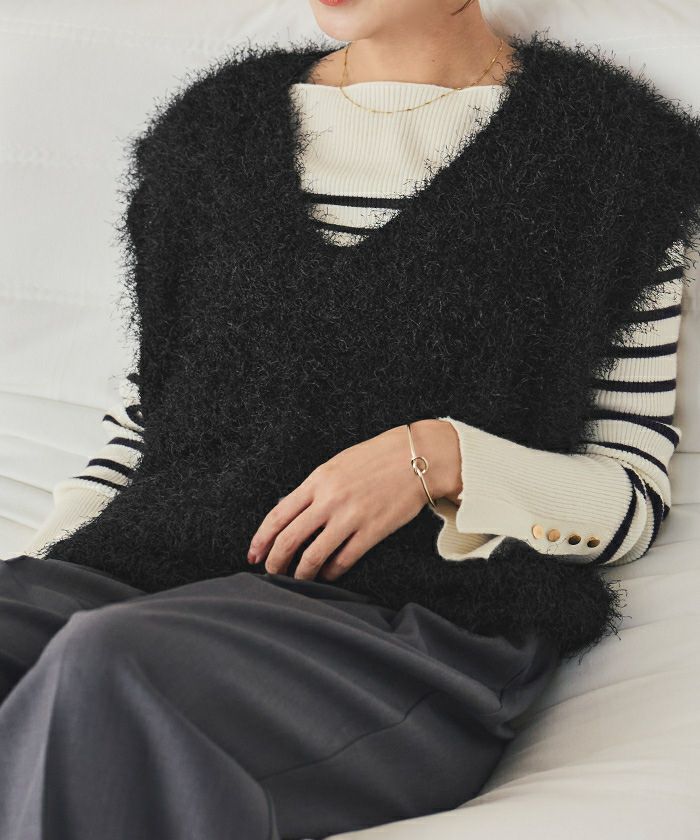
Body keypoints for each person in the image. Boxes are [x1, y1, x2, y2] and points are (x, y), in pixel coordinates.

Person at [0, 1, 694, 838]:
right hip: (151, 571)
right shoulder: (209, 133)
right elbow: (152, 424)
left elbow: (630, 494)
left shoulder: (617, 157)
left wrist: (440, 458)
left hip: (412, 624)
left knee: (108, 664)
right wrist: (42, 573)